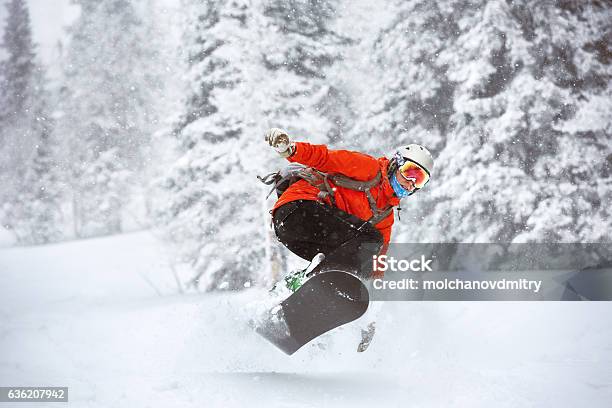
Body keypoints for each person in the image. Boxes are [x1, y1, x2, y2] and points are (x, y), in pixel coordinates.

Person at [264, 128, 434, 289]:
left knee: (360, 264)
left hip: (298, 236)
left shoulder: (385, 216)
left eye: (419, 180)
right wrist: (292, 149)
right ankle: (317, 283)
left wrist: (369, 300)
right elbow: (325, 158)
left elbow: (376, 264)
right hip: (298, 211)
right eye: (409, 172)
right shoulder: (369, 169)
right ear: (395, 164)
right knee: (370, 240)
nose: (411, 182)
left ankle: (295, 287)